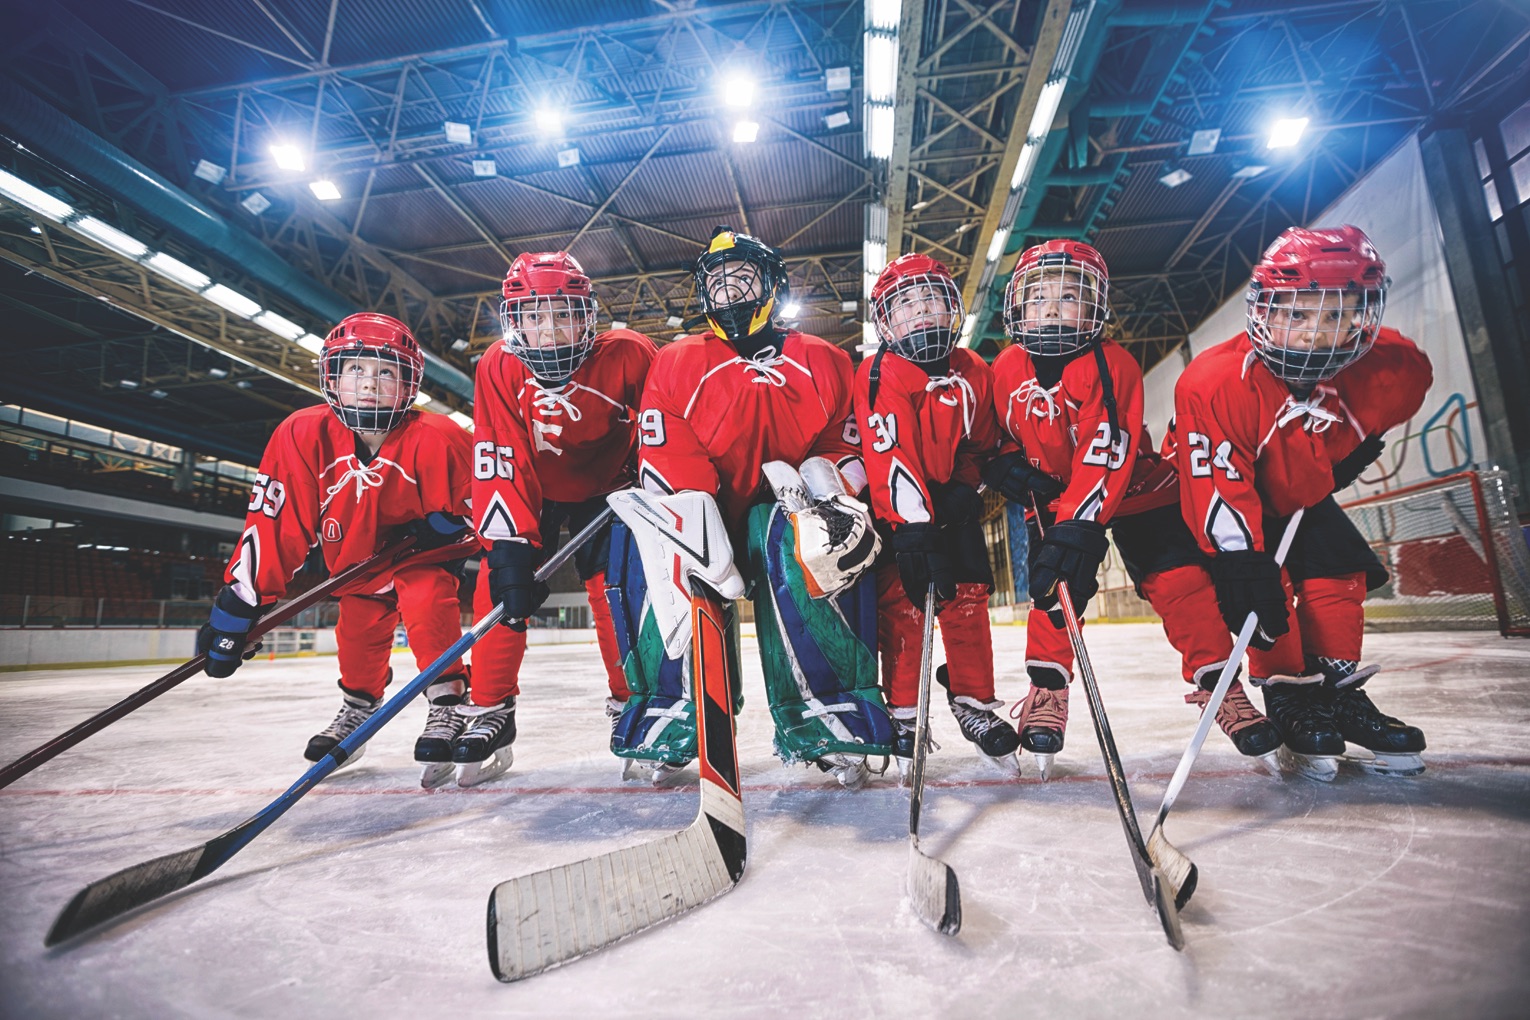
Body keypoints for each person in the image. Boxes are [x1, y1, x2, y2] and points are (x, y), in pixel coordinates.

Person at [987, 240, 1282, 778]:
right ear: (1019, 308)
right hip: (1053, 496)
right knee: (1054, 593)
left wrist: (1077, 526)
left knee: (1182, 584)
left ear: (1094, 306)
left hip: (1137, 489)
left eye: (1069, 296)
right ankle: (1047, 691)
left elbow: (1106, 449)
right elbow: (998, 433)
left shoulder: (1112, 363)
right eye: (1040, 297)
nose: (1052, 308)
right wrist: (1004, 461)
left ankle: (1222, 687)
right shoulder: (1005, 367)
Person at [612, 225, 890, 787]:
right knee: (652, 542)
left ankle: (829, 710)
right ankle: (676, 712)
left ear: (772, 285)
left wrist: (825, 486)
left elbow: (844, 443)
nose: (729, 291)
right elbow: (664, 445)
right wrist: (695, 517)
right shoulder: (678, 360)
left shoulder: (826, 360)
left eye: (742, 278)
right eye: (716, 282)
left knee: (809, 538)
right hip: (707, 511)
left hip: (786, 513)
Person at [1173, 224, 1432, 779]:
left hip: (1295, 490)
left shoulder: (1394, 369)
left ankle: (1336, 690)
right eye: (1297, 313)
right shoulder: (1214, 380)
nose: (1316, 332)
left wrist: (1335, 461)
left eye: (1335, 314)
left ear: (1362, 316)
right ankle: (1288, 689)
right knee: (1264, 586)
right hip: (1218, 495)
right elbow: (1218, 488)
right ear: (1264, 312)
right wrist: (1241, 562)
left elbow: (1367, 420)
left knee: (1338, 564)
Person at [198, 313, 475, 786]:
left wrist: (454, 524)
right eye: (355, 369)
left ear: (408, 384)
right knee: (357, 634)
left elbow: (493, 505)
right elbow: (276, 522)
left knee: (427, 603)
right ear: (332, 377)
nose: (369, 383)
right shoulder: (301, 434)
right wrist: (241, 603)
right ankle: (358, 706)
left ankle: (447, 700)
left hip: (421, 559)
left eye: (386, 372)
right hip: (355, 567)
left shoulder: (443, 437)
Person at [465, 251, 657, 787]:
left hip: (611, 487)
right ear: (515, 321)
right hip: (534, 489)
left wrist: (652, 485)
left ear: (586, 316)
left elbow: (662, 425)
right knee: (498, 588)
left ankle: (632, 701)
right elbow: (499, 451)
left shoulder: (630, 352)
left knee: (615, 592)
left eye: (563, 314)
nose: (548, 330)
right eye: (534, 316)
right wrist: (510, 546)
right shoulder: (497, 365)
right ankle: (491, 708)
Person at [852, 252, 1019, 777]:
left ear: (952, 308)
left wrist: (966, 486)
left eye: (931, 299)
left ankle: (974, 702)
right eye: (905, 304)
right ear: (886, 321)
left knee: (969, 600)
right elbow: (890, 456)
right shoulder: (878, 372)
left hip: (949, 506)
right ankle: (904, 714)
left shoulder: (973, 370)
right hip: (897, 517)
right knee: (905, 605)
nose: (921, 310)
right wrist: (915, 528)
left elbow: (980, 443)